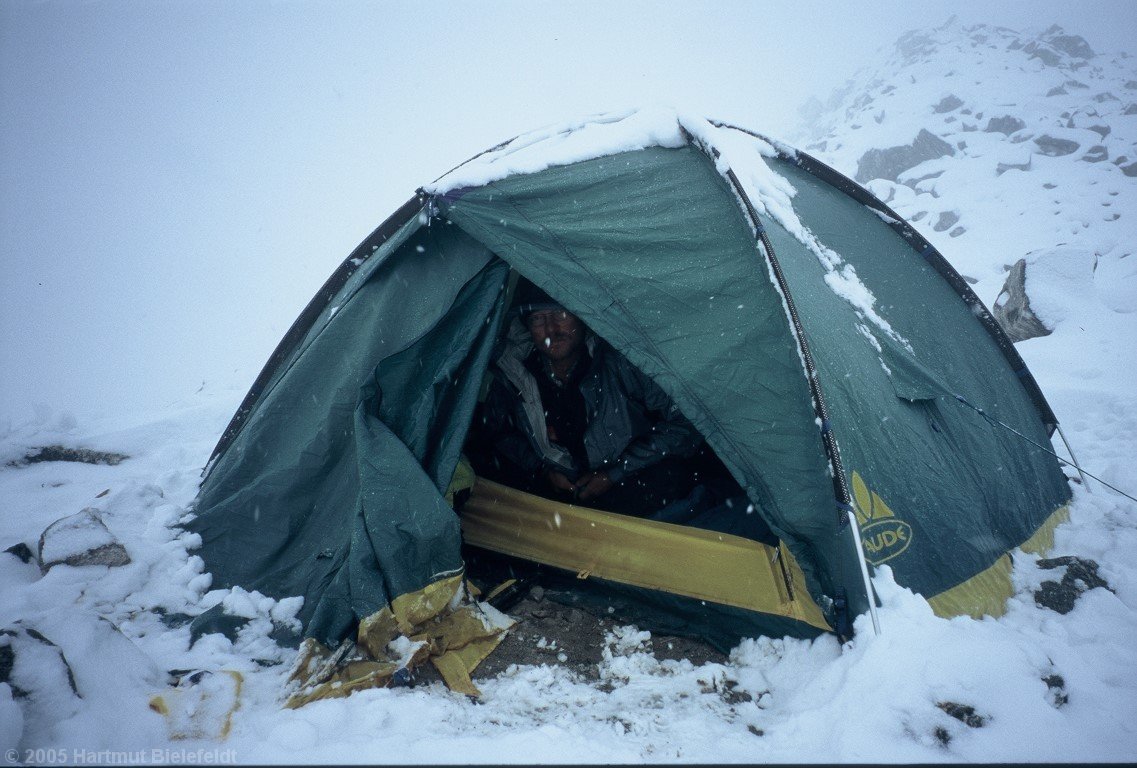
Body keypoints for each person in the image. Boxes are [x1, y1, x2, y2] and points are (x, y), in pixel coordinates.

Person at [469, 279, 708, 517]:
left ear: (581, 317)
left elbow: (686, 424)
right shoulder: (517, 373)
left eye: (560, 314)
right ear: (527, 328)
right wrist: (542, 469)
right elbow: (496, 432)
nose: (551, 330)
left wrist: (615, 473)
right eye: (538, 319)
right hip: (560, 488)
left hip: (628, 482)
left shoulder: (620, 361)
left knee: (674, 477)